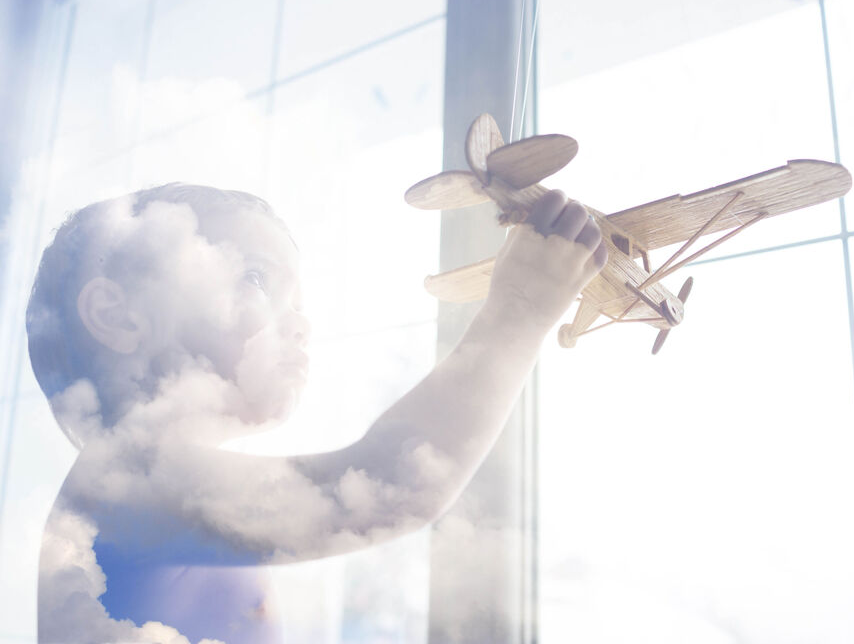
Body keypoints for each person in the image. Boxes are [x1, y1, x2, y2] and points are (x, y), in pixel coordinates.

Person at [27, 183, 607, 643]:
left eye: (301, 300)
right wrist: (521, 308)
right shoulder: (126, 477)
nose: (300, 322)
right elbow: (389, 486)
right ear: (119, 315)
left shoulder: (143, 491)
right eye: (255, 277)